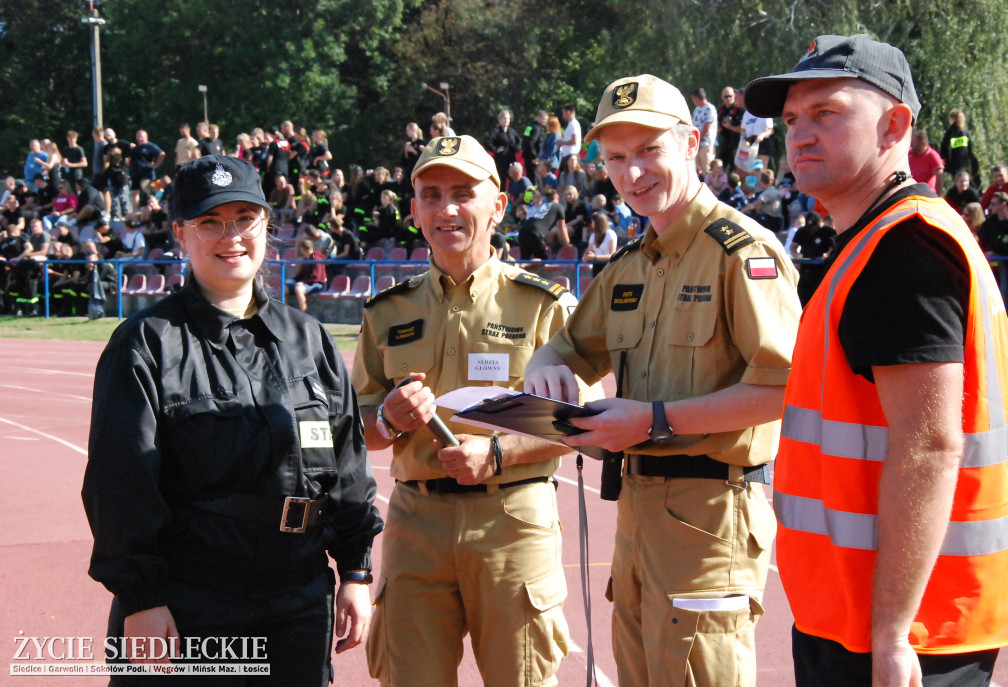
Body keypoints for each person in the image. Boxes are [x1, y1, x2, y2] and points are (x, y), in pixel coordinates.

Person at [744, 32, 1008, 686]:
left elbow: (929, 443)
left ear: (895, 124)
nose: (800, 135)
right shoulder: (880, 241)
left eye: (827, 113)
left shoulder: (901, 251)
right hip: (868, 615)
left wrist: (894, 631)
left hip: (899, 630)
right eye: (791, 120)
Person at [524, 73, 801, 687]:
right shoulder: (629, 265)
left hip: (711, 519)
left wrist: (654, 420)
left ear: (693, 143)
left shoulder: (740, 252)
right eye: (616, 158)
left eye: (649, 150)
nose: (632, 173)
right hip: (638, 515)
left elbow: (785, 387)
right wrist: (545, 371)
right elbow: (566, 347)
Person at [82, 155, 383, 684]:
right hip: (192, 603)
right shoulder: (147, 344)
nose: (232, 236)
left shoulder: (307, 339)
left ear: (267, 224)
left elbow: (346, 462)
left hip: (298, 600)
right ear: (180, 233)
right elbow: (120, 481)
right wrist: (142, 598)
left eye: (245, 217)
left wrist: (355, 568)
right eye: (210, 222)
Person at [352, 135, 581, 686]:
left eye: (463, 193)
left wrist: (498, 453)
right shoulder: (387, 312)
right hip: (414, 525)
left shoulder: (545, 306)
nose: (446, 209)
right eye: (430, 195)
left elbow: (585, 422)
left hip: (511, 524)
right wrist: (387, 419)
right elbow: (357, 430)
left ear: (497, 206)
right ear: (414, 212)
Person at [485, 109, 521, 191]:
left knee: (514, 178)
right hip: (501, 160)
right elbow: (487, 141)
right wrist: (495, 149)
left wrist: (517, 148)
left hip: (511, 159)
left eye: (508, 118)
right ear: (500, 119)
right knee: (502, 179)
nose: (506, 120)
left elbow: (519, 141)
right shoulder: (496, 131)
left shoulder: (512, 131)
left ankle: (513, 196)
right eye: (504, 118)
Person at [691, 87, 717, 176]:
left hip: (706, 143)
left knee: (707, 168)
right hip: (696, 144)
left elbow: (706, 127)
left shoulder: (710, 108)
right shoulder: (697, 109)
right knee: (697, 169)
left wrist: (699, 140)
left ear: (697, 98)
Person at [907, 129, 944, 194]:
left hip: (926, 195)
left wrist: (938, 195)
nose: (911, 145)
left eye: (914, 142)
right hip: (910, 193)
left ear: (923, 143)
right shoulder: (909, 153)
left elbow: (940, 174)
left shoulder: (932, 155)